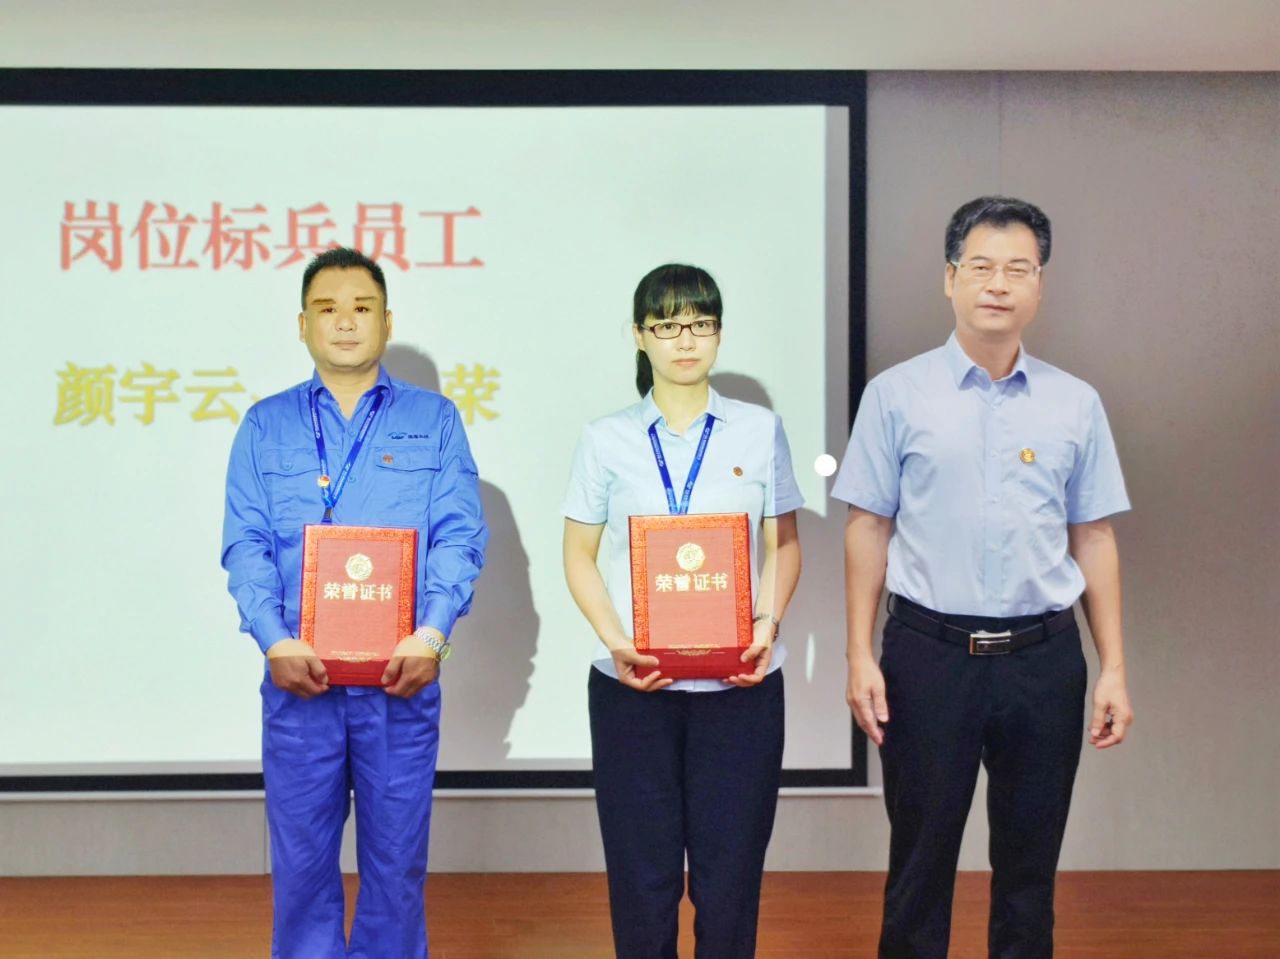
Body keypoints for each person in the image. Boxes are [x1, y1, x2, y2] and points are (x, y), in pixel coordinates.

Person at [834, 196, 1135, 958]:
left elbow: (1094, 535)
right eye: (981, 267)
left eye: (1018, 269)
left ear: (1040, 285)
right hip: (928, 656)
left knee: (1031, 872)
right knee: (919, 866)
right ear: (950, 278)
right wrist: (859, 652)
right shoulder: (895, 394)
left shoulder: (1075, 403)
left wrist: (1113, 667)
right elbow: (867, 526)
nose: (998, 284)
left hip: (1044, 660)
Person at [221, 247, 487, 959]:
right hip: (299, 679)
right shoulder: (265, 425)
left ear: (387, 322)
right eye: (328, 309)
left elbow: (460, 536)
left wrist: (432, 636)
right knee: (302, 866)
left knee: (396, 867)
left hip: (399, 680)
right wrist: (274, 639)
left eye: (362, 307)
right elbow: (245, 543)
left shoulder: (435, 419)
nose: (345, 322)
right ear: (302, 325)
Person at [561, 264, 803, 959]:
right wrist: (616, 640)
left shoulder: (759, 430)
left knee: (730, 882)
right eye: (667, 325)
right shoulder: (605, 438)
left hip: (741, 688)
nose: (685, 339)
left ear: (719, 333)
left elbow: (784, 544)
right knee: (643, 880)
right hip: (632, 688)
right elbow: (578, 553)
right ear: (640, 336)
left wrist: (766, 625)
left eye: (700, 323)